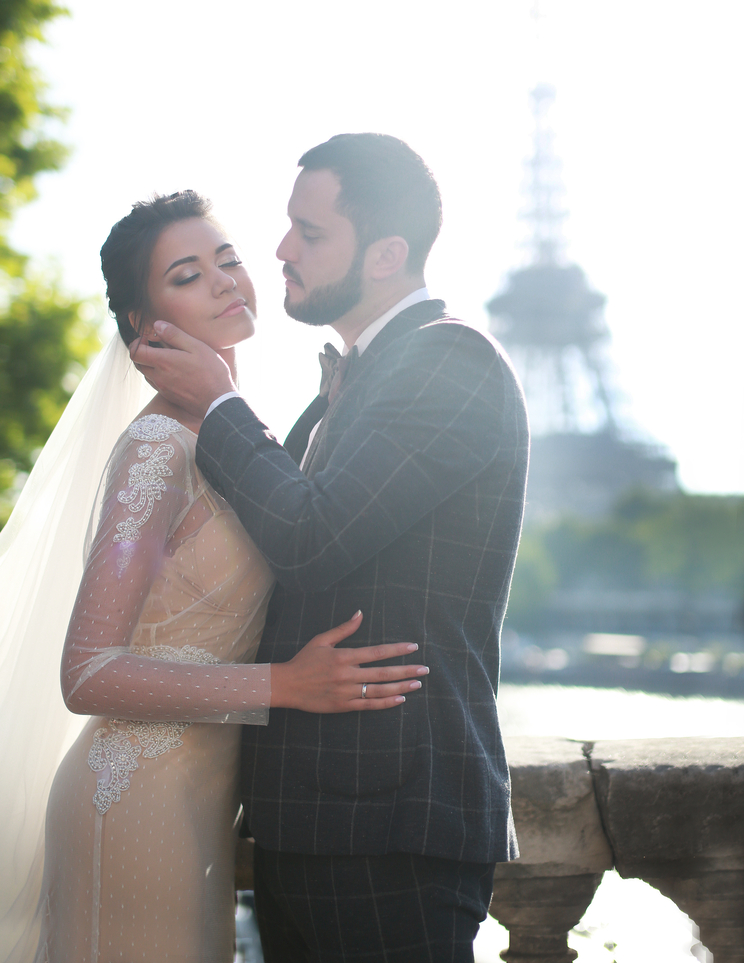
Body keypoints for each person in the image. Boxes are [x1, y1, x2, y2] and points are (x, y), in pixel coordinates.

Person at [0, 190, 425, 963]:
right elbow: (86, 672)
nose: (227, 280)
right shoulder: (157, 450)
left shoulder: (242, 435)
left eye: (229, 259)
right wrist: (285, 685)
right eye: (189, 274)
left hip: (202, 801)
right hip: (133, 797)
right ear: (144, 322)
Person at [130, 133, 530, 963]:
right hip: (305, 819)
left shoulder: (450, 361)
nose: (280, 251)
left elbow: (312, 539)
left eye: (310, 234)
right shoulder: (353, 379)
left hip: (389, 828)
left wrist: (220, 404)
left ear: (386, 253)